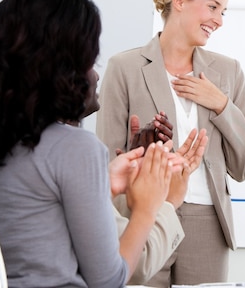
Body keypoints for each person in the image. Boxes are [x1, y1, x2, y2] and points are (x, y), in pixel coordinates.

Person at [0, 0, 174, 287]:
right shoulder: (74, 148)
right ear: (65, 69)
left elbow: (34, 220)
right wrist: (149, 207)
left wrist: (102, 185)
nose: (96, 73)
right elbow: (108, 281)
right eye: (91, 59)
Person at [96, 0, 245, 286]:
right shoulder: (124, 68)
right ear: (179, 1)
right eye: (212, 7)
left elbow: (243, 167)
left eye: (223, 12)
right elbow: (105, 160)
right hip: (141, 216)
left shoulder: (227, 73)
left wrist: (221, 105)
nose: (219, 21)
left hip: (207, 221)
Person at [76, 71, 209, 285]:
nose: (97, 75)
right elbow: (133, 266)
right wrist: (167, 200)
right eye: (88, 63)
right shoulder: (77, 153)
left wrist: (136, 180)